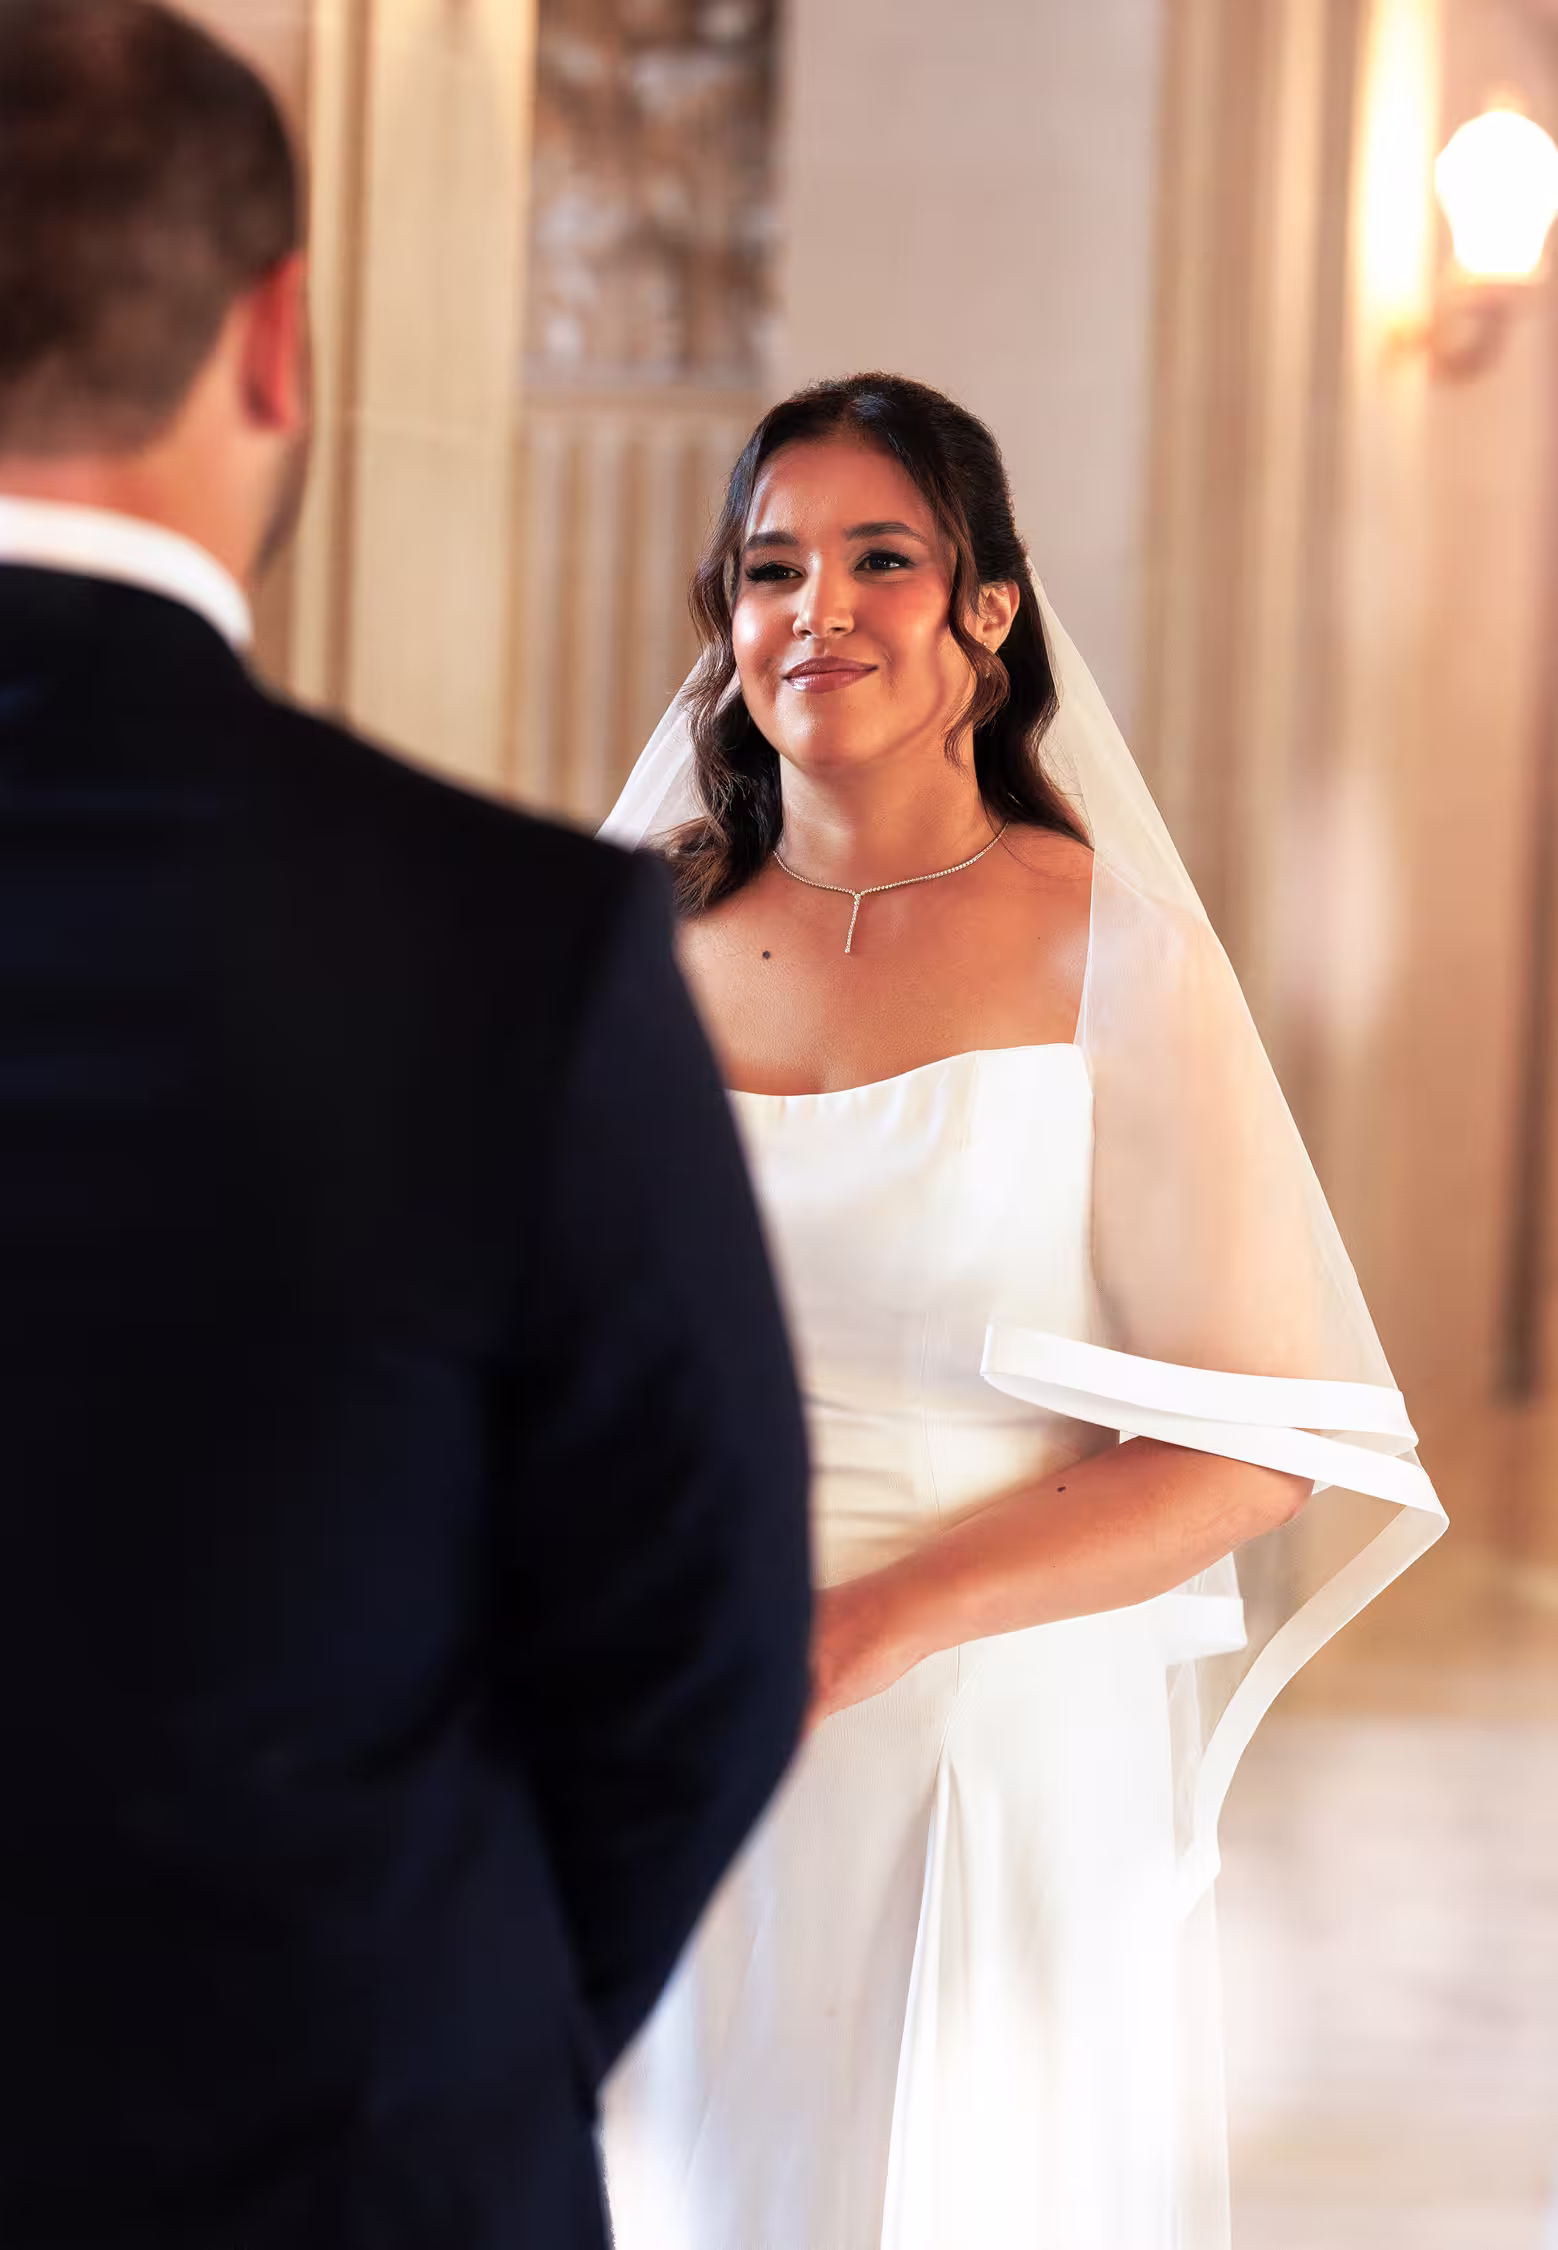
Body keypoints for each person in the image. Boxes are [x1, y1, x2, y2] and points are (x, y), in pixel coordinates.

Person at [0, 4, 810, 2244]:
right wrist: (431, 2029)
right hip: (345, 2155)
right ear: (279, 340)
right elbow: (700, 1642)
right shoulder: (524, 949)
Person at [599, 373, 1446, 2250]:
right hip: (662, 1704)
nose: (815, 608)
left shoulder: (1107, 952)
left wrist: (876, 1621)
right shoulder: (622, 946)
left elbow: (1246, 1444)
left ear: (986, 607)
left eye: (878, 557)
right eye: (769, 566)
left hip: (980, 1716)